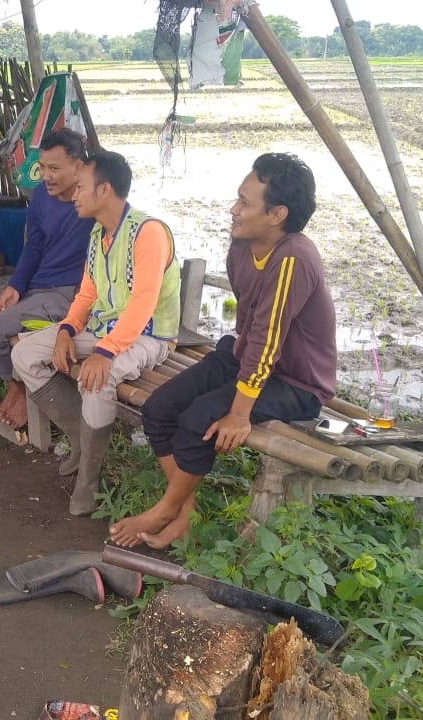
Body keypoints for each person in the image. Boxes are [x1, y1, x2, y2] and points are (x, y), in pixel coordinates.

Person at [110, 152, 335, 548]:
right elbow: (251, 334)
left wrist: (239, 414)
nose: (234, 210)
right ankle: (185, 510)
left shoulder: (294, 258)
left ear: (277, 214)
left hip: (296, 383)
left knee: (199, 420)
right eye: (237, 199)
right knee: (161, 409)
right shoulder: (242, 247)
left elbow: (268, 340)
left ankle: (165, 510)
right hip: (246, 359)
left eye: (245, 203)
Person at [11, 151, 181, 516]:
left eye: (81, 187)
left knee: (98, 379)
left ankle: (88, 479)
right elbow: (87, 294)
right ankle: (81, 442)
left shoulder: (148, 232)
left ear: (104, 190)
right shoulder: (99, 234)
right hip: (105, 330)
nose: (74, 194)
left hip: (148, 336)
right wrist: (66, 331)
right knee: (24, 354)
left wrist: (104, 353)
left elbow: (143, 304)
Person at [0, 128, 94, 430]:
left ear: (78, 167)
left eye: (54, 168)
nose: (46, 176)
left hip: (65, 294)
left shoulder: (94, 201)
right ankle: (16, 383)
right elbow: (35, 245)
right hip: (33, 285)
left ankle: (23, 393)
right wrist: (15, 285)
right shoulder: (41, 196)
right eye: (42, 168)